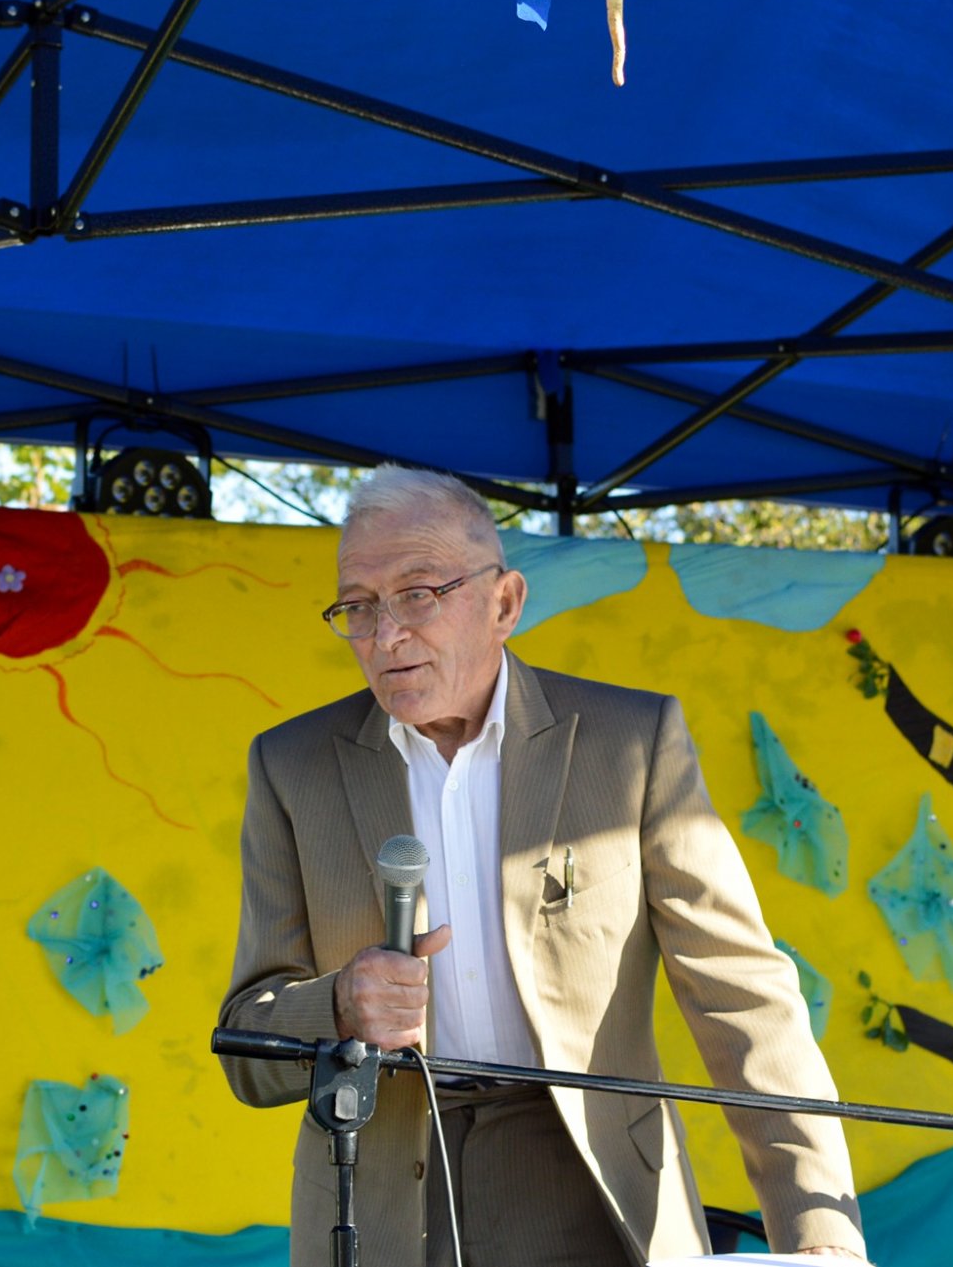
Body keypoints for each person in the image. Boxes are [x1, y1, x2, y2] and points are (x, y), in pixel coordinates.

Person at [217, 465, 867, 1266]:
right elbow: (245, 1049)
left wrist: (819, 1230)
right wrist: (341, 1005)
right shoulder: (293, 766)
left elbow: (743, 995)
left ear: (505, 603)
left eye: (417, 595)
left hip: (591, 1188)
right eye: (359, 606)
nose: (385, 636)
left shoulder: (631, 744)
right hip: (378, 1207)